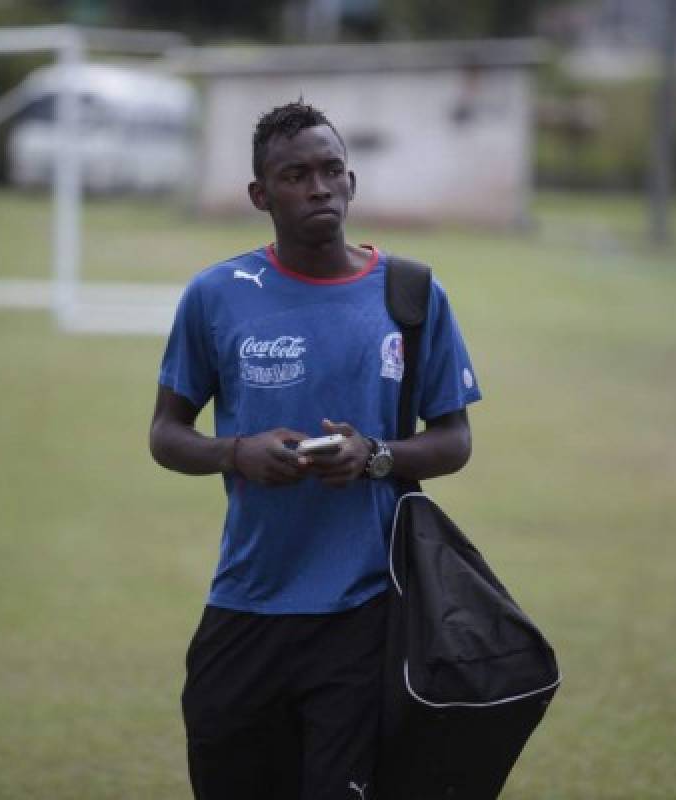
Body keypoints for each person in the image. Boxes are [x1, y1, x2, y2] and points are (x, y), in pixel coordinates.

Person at [149, 100, 481, 800]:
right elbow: (166, 434)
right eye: (296, 174)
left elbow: (454, 441)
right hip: (246, 605)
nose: (319, 187)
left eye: (332, 171)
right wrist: (236, 453)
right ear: (259, 195)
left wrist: (374, 457)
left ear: (352, 183)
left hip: (363, 615)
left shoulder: (411, 295)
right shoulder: (217, 296)